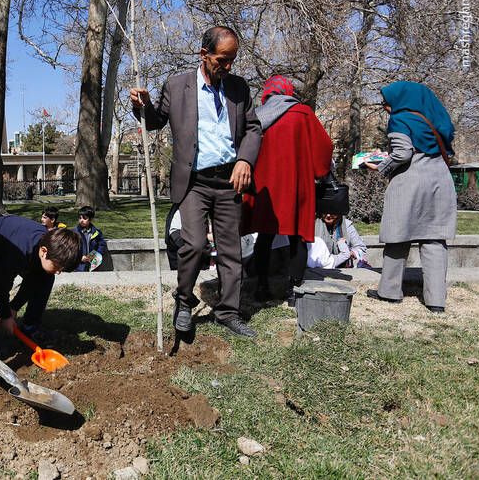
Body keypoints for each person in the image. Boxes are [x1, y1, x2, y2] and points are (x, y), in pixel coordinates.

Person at [130, 26, 262, 337]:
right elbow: (155, 121)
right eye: (222, 59)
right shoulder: (177, 86)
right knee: (194, 244)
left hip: (230, 180)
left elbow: (253, 128)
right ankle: (184, 301)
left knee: (231, 250)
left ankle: (228, 313)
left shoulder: (239, 87)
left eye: (232, 60)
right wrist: (142, 106)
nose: (227, 66)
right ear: (204, 54)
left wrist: (245, 160)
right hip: (194, 182)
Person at [364, 81, 456, 313]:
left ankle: (389, 292)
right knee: (434, 240)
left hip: (411, 181)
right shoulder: (438, 117)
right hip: (440, 181)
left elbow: (403, 153)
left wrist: (380, 166)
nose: (385, 106)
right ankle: (436, 301)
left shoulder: (400, 119)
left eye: (386, 102)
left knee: (397, 237)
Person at [242, 75, 333, 302]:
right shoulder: (303, 113)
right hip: (296, 184)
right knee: (297, 237)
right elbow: (325, 146)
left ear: (268, 93)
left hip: (266, 187)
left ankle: (261, 287)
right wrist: (319, 171)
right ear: (288, 91)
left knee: (265, 235)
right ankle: (293, 290)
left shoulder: (258, 115)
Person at [0, 216, 82, 351]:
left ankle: (31, 326)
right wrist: (5, 315)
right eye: (58, 267)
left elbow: (33, 280)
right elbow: (2, 285)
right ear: (44, 252)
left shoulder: (48, 246)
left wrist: (14, 307)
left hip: (13, 242)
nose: (59, 272)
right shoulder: (19, 252)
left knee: (46, 277)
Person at [73, 206, 107, 272]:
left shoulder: (97, 233)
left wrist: (95, 255)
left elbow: (101, 245)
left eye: (85, 218)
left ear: (91, 219)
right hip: (78, 265)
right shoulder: (74, 233)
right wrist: (79, 257)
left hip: (93, 264)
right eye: (80, 218)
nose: (81, 220)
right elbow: (71, 248)